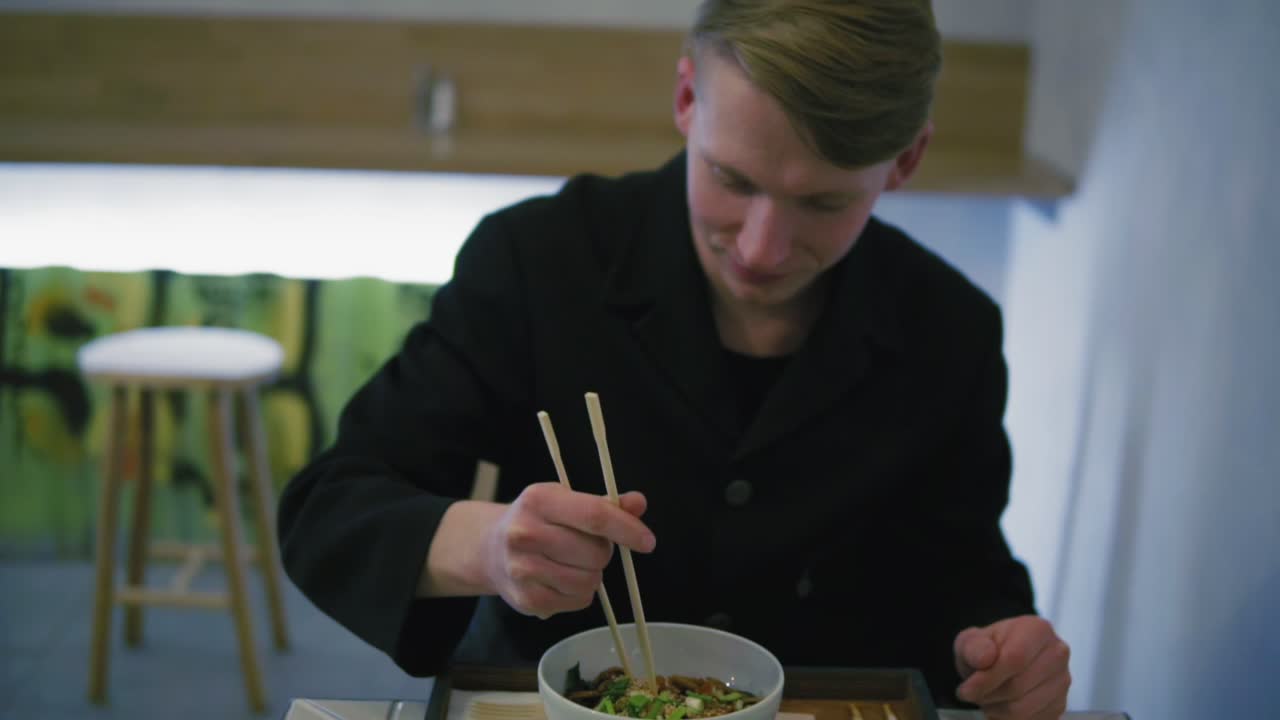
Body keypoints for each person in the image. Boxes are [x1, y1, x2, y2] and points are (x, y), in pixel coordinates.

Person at [278, 1, 1071, 717]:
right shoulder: (539, 260)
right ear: (688, 98)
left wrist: (1002, 651)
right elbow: (332, 507)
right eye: (733, 179)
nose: (762, 250)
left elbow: (964, 573)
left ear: (904, 161)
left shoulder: (949, 327)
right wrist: (488, 546)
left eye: (823, 202)